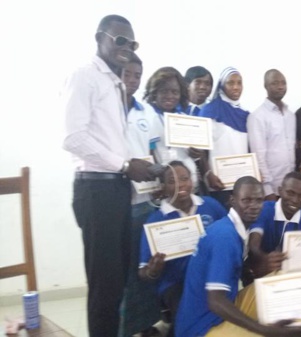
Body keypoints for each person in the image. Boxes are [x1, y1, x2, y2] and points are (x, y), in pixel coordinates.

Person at [62, 14, 155, 337]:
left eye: (132, 43)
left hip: (116, 189)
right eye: (119, 40)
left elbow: (109, 142)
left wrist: (131, 166)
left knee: (116, 284)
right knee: (103, 287)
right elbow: (72, 138)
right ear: (99, 38)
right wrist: (126, 166)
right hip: (96, 190)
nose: (126, 48)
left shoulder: (114, 82)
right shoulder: (84, 76)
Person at [175, 176, 301, 337]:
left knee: (283, 277)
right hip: (201, 325)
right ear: (232, 200)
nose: (254, 206)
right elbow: (215, 302)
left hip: (227, 304)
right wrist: (265, 330)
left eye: (259, 200)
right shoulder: (225, 236)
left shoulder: (233, 228)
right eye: (247, 200)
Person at [139, 161, 227, 337]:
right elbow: (143, 272)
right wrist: (153, 270)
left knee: (222, 313)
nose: (180, 184)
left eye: (185, 178)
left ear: (192, 181)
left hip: (210, 275)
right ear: (163, 187)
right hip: (176, 283)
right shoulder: (155, 220)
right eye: (172, 181)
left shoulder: (210, 205)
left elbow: (229, 232)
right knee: (188, 314)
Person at [119, 53, 163, 337]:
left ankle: (145, 326)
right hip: (118, 202)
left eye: (137, 75)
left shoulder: (146, 112)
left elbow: (158, 152)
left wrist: (162, 174)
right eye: (127, 74)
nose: (132, 80)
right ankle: (123, 328)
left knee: (146, 267)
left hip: (146, 202)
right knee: (122, 273)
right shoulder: (106, 109)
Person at [248, 172, 301, 278]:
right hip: (261, 272)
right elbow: (253, 244)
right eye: (290, 193)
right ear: (280, 191)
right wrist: (265, 259)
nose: (295, 200)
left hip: (294, 275)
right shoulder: (265, 209)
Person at [199, 67, 250, 207]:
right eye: (231, 83)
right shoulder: (210, 110)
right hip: (219, 182)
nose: (236, 87)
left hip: (241, 182)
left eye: (239, 83)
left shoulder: (245, 114)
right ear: (222, 85)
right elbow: (201, 150)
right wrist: (208, 174)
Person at [248, 69, 296, 201]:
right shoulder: (257, 117)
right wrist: (267, 190)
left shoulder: (290, 115)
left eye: (283, 83)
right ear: (266, 86)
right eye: (275, 83)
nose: (280, 86)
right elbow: (259, 156)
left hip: (291, 187)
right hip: (272, 189)